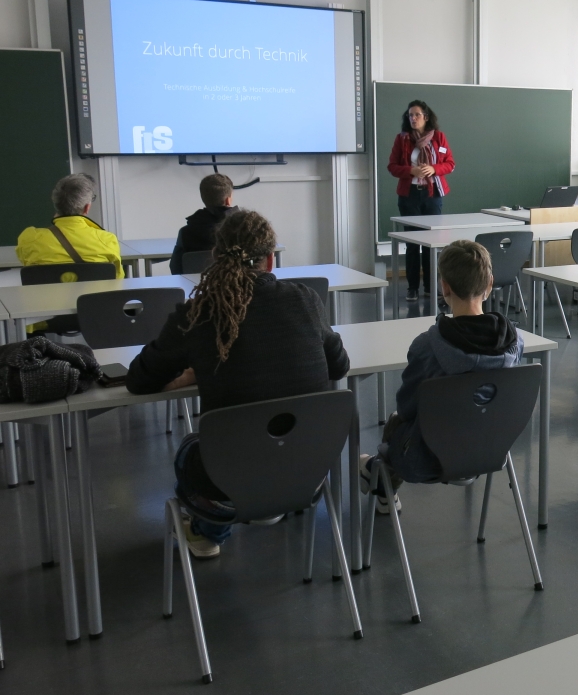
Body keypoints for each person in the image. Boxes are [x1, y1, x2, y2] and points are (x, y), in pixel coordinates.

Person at [127, 210, 349, 558]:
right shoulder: (305, 299)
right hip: (309, 472)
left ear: (216, 257)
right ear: (271, 260)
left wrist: (204, 366)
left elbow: (140, 380)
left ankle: (207, 533)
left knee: (193, 447)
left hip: (225, 484)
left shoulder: (198, 313)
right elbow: (339, 366)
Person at [358, 240, 522, 512]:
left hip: (428, 458)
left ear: (444, 287)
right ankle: (377, 473)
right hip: (490, 450)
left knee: (395, 424)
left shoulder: (426, 347)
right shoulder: (515, 343)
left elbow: (407, 408)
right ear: (490, 284)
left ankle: (376, 471)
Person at [17, 173, 124, 334]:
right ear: (87, 207)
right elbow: (118, 279)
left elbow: (26, 261)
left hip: (43, 318)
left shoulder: (29, 238)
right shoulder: (106, 239)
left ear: (56, 204)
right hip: (95, 314)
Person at [387, 100, 456, 303]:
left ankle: (430, 286)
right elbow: (392, 166)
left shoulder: (439, 138)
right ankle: (412, 287)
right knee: (412, 243)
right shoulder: (402, 139)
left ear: (426, 117)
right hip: (409, 196)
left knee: (431, 244)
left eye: (417, 115)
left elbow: (450, 164)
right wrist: (411, 170)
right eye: (410, 115)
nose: (413, 118)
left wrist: (434, 169)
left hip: (432, 195)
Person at [169, 173, 238, 274]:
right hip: (238, 287)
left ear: (203, 199)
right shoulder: (243, 228)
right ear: (228, 200)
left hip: (196, 287)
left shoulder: (186, 232)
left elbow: (175, 268)